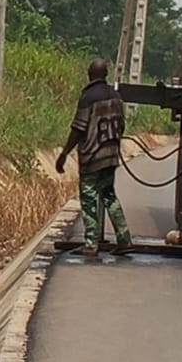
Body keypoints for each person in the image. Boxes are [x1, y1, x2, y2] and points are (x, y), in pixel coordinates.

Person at [56, 58, 134, 258]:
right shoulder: (117, 97)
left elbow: (78, 129)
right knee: (109, 195)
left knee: (89, 197)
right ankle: (124, 239)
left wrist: (65, 153)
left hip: (92, 156)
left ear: (90, 74)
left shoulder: (88, 97)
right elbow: (122, 126)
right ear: (105, 75)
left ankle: (91, 244)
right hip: (111, 155)